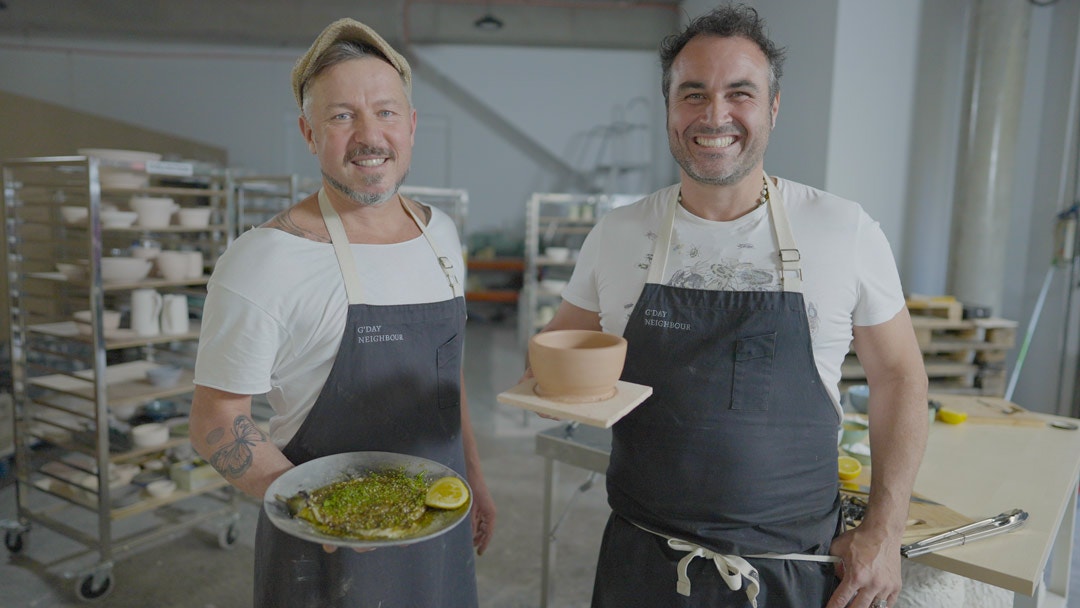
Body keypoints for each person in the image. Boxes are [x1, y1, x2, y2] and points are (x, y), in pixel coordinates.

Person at [534, 5, 928, 608]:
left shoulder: (842, 230)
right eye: (693, 94)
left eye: (739, 93)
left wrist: (885, 527)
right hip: (642, 563)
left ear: (772, 107)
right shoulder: (617, 234)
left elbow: (899, 375)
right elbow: (555, 357)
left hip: (789, 574)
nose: (714, 115)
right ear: (669, 108)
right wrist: (540, 386)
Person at [188, 17, 495, 608]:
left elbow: (447, 375)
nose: (368, 136)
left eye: (385, 112)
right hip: (322, 555)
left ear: (410, 126)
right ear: (308, 132)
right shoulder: (265, 260)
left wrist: (473, 480)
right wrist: (324, 517)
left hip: (439, 530)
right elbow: (215, 420)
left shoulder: (442, 236)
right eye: (340, 116)